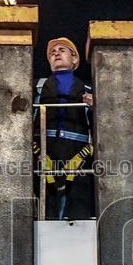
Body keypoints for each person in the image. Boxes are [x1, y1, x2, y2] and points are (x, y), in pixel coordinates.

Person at [34, 37, 94, 220]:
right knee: (44, 210)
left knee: (78, 211)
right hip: (43, 153)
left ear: (75, 59)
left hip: (79, 156)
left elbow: (108, 128)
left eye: (62, 50)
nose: (56, 53)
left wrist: (95, 108)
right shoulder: (35, 88)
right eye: (53, 52)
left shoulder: (90, 91)